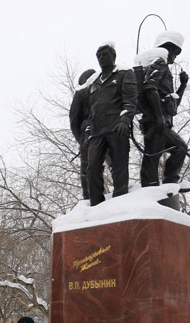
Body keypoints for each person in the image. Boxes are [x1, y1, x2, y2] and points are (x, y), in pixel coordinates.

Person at [87, 42, 138, 206]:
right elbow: (91, 109)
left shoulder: (124, 74)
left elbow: (130, 100)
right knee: (92, 167)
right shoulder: (95, 83)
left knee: (119, 167)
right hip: (97, 132)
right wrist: (88, 128)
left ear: (113, 56)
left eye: (105, 54)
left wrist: (125, 119)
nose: (102, 58)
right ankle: (96, 204)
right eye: (99, 56)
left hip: (117, 128)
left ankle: (120, 202)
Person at [139, 31, 189, 190]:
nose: (175, 57)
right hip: (156, 122)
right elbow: (150, 87)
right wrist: (159, 116)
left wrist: (183, 85)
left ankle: (163, 186)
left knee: (155, 155)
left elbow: (172, 106)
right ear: (168, 49)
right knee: (164, 153)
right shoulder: (160, 63)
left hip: (162, 122)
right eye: (175, 52)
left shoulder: (163, 68)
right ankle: (159, 187)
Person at [69, 68, 97, 201]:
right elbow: (74, 119)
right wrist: (80, 139)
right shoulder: (81, 94)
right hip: (89, 134)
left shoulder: (104, 89)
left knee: (114, 163)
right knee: (88, 167)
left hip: (105, 131)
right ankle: (89, 197)